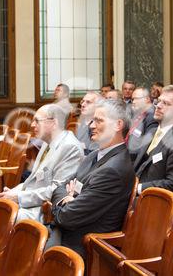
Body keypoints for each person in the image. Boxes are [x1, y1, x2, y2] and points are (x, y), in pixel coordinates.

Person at [50, 99, 135, 258]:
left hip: (82, 245)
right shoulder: (95, 155)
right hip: (65, 233)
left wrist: (71, 198)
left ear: (118, 125)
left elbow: (67, 217)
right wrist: (65, 199)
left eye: (99, 120)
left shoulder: (113, 170)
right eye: (92, 120)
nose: (91, 125)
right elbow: (59, 188)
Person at [0, 104, 83, 222]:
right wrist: (14, 192)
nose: (32, 125)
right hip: (31, 203)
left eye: (37, 121)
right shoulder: (47, 142)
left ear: (53, 123)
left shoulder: (70, 147)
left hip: (43, 211)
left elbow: (57, 191)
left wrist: (18, 197)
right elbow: (33, 180)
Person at [133, 86, 173, 194]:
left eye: (166, 103)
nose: (158, 106)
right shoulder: (152, 132)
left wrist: (137, 188)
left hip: (148, 201)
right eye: (158, 101)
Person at [126, 87, 158, 161]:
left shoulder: (153, 117)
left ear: (147, 99)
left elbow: (146, 146)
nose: (133, 102)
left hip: (136, 161)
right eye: (132, 99)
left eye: (136, 99)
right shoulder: (139, 114)